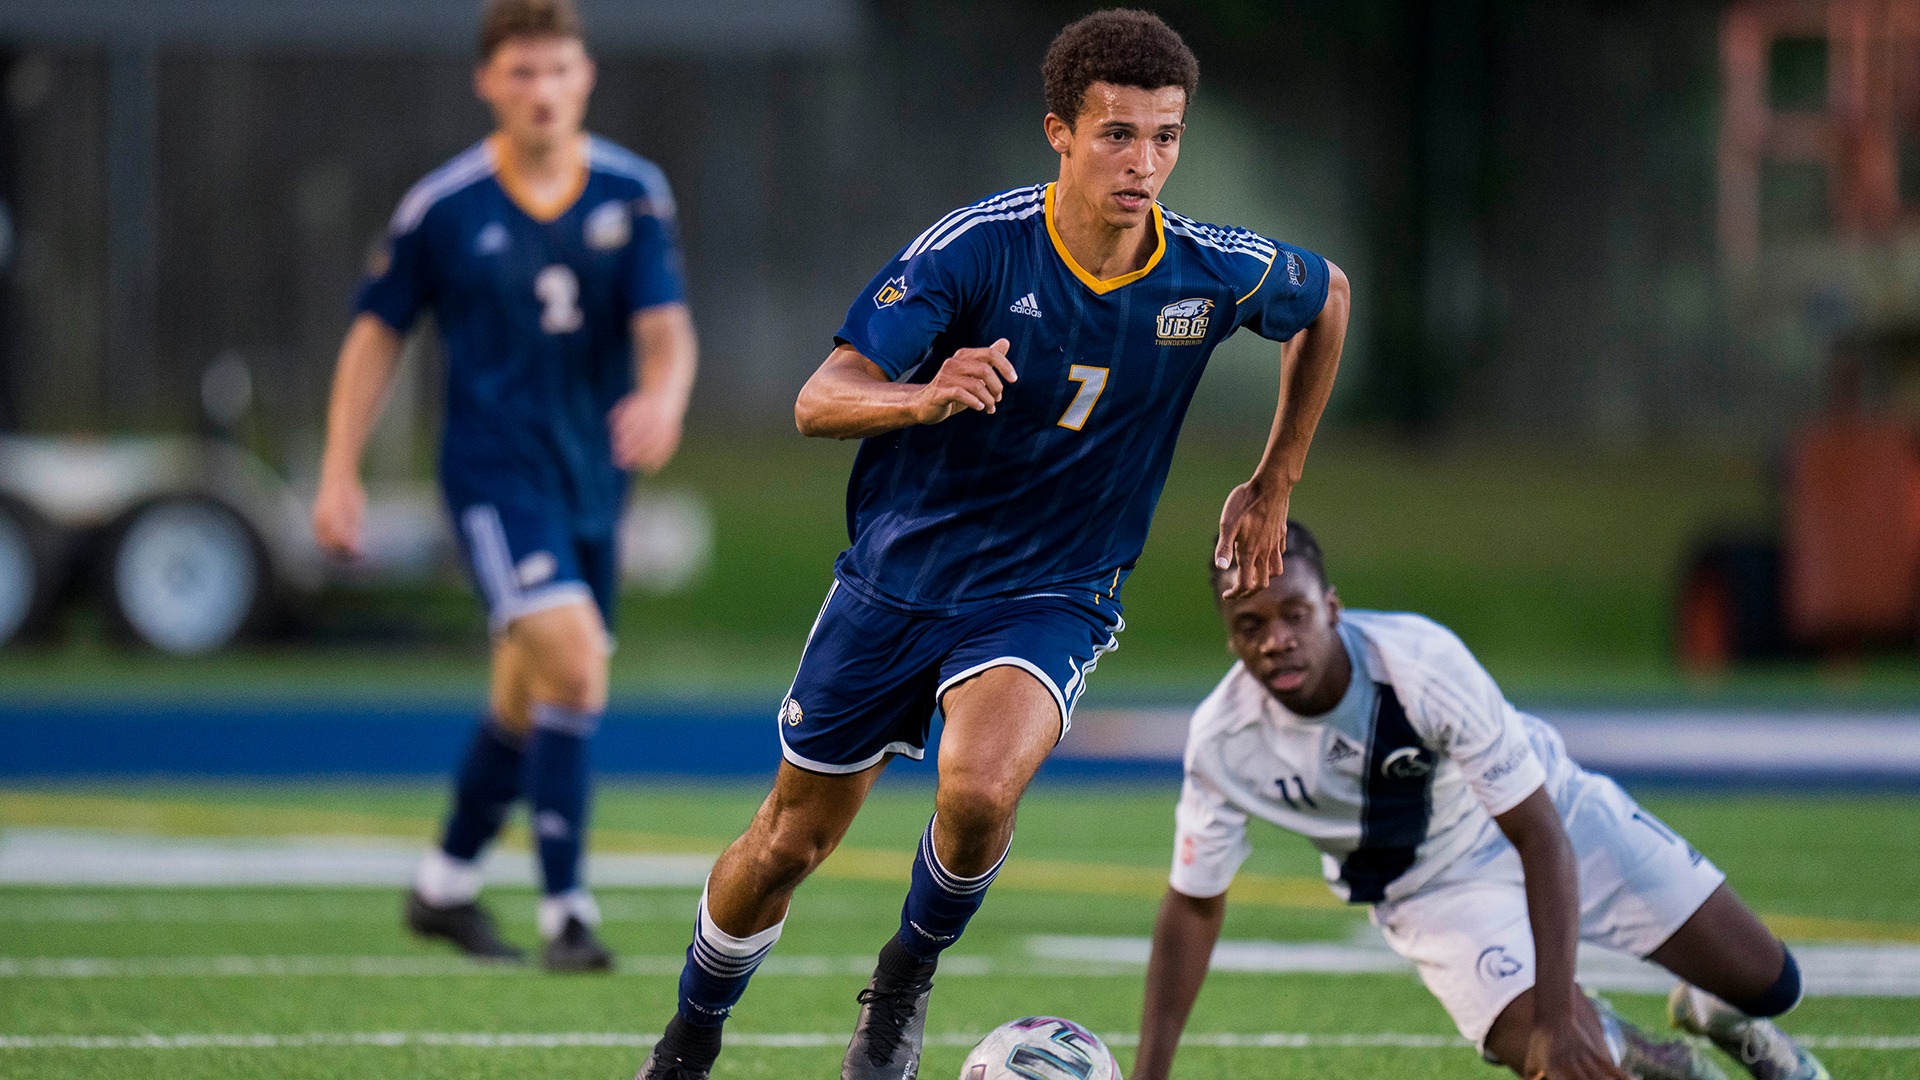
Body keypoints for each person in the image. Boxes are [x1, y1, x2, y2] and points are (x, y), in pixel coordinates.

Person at [634, 10, 1350, 1080]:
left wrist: (1275, 477)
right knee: (788, 842)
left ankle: (904, 980)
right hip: (899, 580)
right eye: (1117, 135)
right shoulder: (976, 248)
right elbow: (820, 399)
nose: (1144, 163)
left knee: (976, 793)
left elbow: (1327, 295)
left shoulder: (1207, 269)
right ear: (1060, 133)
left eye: (1165, 137)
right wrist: (924, 396)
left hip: (1054, 589)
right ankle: (691, 1034)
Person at [1133, 521, 1829, 1080]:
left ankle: (1720, 1015)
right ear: (1229, 635)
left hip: (1550, 814)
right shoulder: (1222, 742)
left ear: (1333, 609)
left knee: (1771, 983)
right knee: (1561, 1067)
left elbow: (1539, 834)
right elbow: (1194, 906)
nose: (1276, 641)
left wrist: (1557, 1020)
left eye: (1295, 614)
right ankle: (1638, 1050)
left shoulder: (1422, 664)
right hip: (1430, 893)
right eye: (1251, 625)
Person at [310, 0, 697, 972]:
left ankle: (444, 885)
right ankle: (568, 912)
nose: (541, 91)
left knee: (528, 698)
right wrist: (339, 469)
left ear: (586, 76)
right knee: (575, 665)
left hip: (594, 479)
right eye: (522, 72)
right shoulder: (444, 206)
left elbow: (666, 328)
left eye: (557, 70)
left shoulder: (633, 191)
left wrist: (664, 397)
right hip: (492, 476)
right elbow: (375, 335)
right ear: (487, 82)